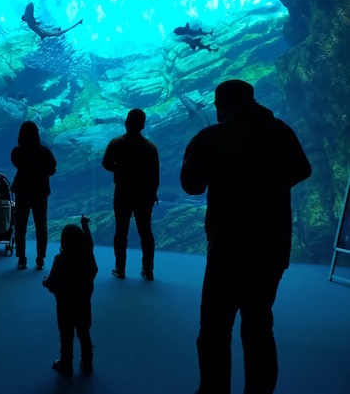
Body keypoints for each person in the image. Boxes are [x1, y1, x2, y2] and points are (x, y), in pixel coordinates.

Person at [181, 79, 312, 394]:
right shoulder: (280, 132)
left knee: (215, 328)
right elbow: (302, 170)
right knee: (259, 325)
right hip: (272, 246)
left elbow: (191, 185)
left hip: (228, 245)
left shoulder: (211, 137)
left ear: (220, 106)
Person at [101, 108, 159, 280]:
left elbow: (106, 163)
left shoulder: (116, 143)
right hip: (144, 194)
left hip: (123, 192)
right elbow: (155, 174)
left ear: (126, 123)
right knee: (145, 231)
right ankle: (148, 269)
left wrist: (118, 168)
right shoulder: (150, 147)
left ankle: (120, 268)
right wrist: (152, 192)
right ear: (143, 125)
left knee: (121, 231)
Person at [42, 216, 98, 376]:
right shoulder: (88, 256)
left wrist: (44, 282)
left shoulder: (61, 260)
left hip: (65, 306)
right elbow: (89, 241)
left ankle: (66, 364)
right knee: (84, 333)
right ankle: (88, 363)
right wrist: (85, 226)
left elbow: (51, 282)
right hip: (84, 303)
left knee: (66, 335)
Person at [11, 120, 57, 270]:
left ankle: (21, 258)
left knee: (20, 225)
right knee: (41, 226)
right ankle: (40, 259)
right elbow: (52, 169)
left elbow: (16, 163)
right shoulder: (44, 151)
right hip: (40, 192)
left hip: (22, 192)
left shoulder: (17, 151)